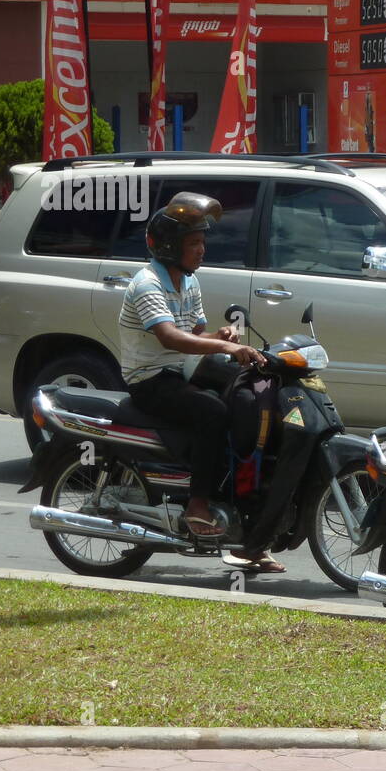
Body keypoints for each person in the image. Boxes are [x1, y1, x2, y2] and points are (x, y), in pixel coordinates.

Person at [118, 193, 279, 568]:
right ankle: (198, 504)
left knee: (250, 394)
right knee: (212, 412)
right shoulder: (147, 284)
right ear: (172, 246)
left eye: (203, 241)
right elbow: (171, 338)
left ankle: (245, 521)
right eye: (194, 243)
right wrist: (222, 348)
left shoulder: (189, 282)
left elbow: (196, 336)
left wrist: (222, 340)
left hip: (183, 368)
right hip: (151, 378)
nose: (202, 250)